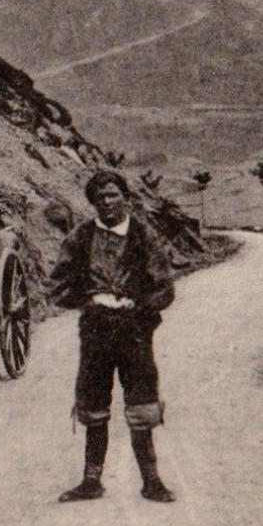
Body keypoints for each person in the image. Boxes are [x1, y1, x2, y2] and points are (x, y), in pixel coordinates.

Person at [47, 170, 177, 503]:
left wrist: (140, 310)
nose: (107, 203)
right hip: (96, 330)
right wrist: (88, 301)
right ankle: (91, 482)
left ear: (125, 198)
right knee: (92, 403)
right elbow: (58, 284)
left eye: (113, 195)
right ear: (93, 202)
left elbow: (164, 286)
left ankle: (151, 481)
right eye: (100, 197)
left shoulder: (143, 235)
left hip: (134, 331)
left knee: (142, 403)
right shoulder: (81, 237)